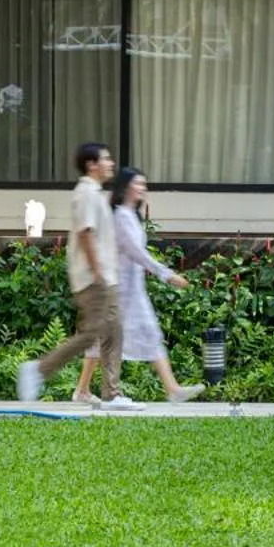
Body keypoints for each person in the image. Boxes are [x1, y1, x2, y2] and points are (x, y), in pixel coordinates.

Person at [18, 143, 135, 408]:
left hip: (105, 276)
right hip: (95, 278)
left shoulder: (95, 193)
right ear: (92, 165)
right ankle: (38, 370)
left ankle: (112, 394)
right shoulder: (86, 194)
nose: (111, 163)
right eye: (105, 159)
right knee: (92, 334)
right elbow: (85, 233)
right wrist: (97, 271)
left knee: (113, 331)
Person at [73, 167, 200, 404]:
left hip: (132, 289)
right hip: (119, 289)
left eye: (143, 183)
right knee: (109, 337)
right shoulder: (121, 216)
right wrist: (167, 275)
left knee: (146, 333)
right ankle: (83, 390)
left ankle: (172, 389)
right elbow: (136, 253)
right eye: (137, 183)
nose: (142, 187)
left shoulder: (131, 215)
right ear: (125, 187)